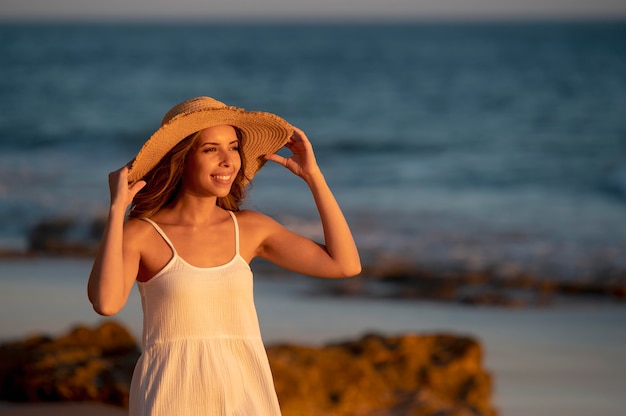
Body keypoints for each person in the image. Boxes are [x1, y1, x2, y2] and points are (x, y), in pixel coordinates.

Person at [87, 96, 361, 416]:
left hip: (245, 392)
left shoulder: (250, 229)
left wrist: (315, 178)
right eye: (210, 149)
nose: (228, 160)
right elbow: (106, 303)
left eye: (233, 147)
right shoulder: (142, 233)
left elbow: (345, 265)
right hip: (171, 396)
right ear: (182, 158)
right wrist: (116, 210)